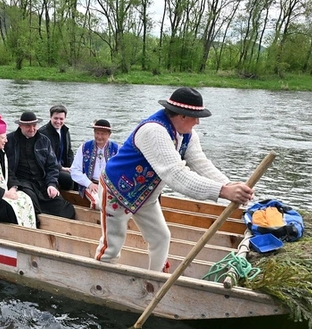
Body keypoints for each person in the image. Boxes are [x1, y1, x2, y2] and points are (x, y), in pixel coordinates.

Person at [95, 87, 254, 271]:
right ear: (182, 116)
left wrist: (228, 184)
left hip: (146, 195)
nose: (198, 122)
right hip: (117, 191)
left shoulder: (187, 134)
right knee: (112, 245)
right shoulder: (154, 131)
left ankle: (154, 281)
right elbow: (176, 175)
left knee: (161, 237)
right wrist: (222, 192)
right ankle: (102, 279)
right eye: (195, 116)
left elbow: (199, 162)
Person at [5, 111, 76, 220]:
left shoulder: (44, 140)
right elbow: (5, 167)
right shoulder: (8, 140)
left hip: (41, 181)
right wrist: (12, 184)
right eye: (28, 126)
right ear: (20, 126)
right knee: (31, 202)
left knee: (65, 208)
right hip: (21, 182)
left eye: (34, 125)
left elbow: (52, 166)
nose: (32, 129)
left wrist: (52, 184)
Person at [70, 119, 120, 209]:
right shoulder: (84, 147)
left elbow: (122, 171)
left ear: (109, 134)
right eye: (97, 133)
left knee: (118, 205)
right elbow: (74, 170)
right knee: (97, 203)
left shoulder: (117, 149)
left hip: (111, 187)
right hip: (92, 185)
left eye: (103, 134)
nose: (99, 137)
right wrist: (89, 184)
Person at [39, 104, 75, 190]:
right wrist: (61, 168)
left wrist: (71, 167)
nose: (58, 121)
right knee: (69, 179)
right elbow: (43, 158)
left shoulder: (65, 131)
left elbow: (69, 151)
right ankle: (67, 199)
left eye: (61, 119)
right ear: (50, 117)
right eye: (56, 118)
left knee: (80, 176)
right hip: (50, 169)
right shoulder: (42, 134)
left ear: (65, 119)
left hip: (64, 166)